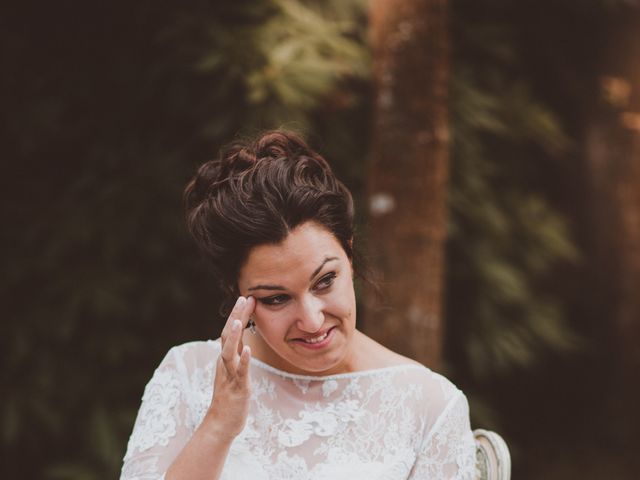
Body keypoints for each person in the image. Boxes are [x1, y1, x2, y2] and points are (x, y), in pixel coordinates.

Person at [120, 130, 477, 480]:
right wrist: (218, 425)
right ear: (237, 293)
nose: (311, 320)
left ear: (349, 254)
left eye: (325, 281)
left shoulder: (431, 406)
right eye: (277, 298)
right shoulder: (186, 375)